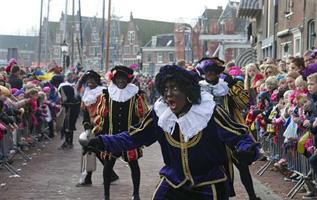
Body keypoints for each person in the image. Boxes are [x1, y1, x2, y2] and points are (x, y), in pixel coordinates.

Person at [87, 64, 260, 200]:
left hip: (209, 183)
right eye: (166, 90)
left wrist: (246, 149)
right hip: (174, 181)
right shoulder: (160, 114)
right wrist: (101, 142)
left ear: (187, 91)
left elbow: (238, 135)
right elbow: (134, 136)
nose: (169, 95)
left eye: (175, 89)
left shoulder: (209, 112)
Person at [197, 57, 261, 200]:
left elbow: (243, 103)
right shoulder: (198, 88)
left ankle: (252, 196)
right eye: (207, 72)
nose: (210, 74)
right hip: (210, 134)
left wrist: (232, 87)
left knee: (243, 166)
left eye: (213, 71)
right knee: (217, 169)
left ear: (218, 72)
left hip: (231, 131)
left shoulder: (227, 86)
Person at [102, 65, 149, 200]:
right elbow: (103, 117)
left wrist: (139, 134)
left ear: (127, 80)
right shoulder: (107, 94)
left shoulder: (136, 95)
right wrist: (101, 134)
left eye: (123, 78)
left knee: (133, 164)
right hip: (112, 136)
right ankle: (106, 195)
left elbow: (142, 115)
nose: (120, 80)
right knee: (108, 164)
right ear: (114, 79)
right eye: (118, 78)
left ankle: (136, 193)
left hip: (129, 137)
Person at [75, 70, 119, 187]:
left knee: (97, 151)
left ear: (96, 80)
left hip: (102, 125)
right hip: (91, 126)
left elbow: (106, 110)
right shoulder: (86, 93)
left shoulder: (103, 92)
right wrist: (86, 124)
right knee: (91, 150)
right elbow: (85, 110)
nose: (89, 82)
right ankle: (95, 177)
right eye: (87, 80)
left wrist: (100, 124)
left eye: (92, 80)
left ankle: (107, 174)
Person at [58, 75, 81, 149]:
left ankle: (68, 142)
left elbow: (64, 100)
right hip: (71, 112)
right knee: (69, 127)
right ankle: (68, 142)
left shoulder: (71, 102)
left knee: (68, 127)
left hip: (70, 113)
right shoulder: (75, 100)